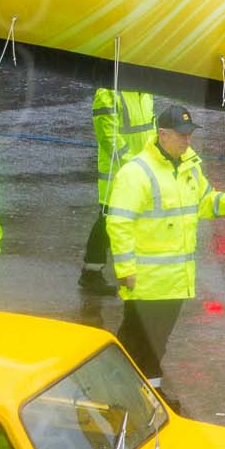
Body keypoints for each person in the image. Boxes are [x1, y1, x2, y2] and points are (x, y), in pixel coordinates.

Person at [106, 103, 225, 397]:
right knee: (137, 342)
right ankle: (123, 396)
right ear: (162, 134)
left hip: (174, 281)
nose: (188, 141)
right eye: (181, 135)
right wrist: (125, 271)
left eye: (189, 135)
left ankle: (145, 396)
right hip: (147, 283)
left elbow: (204, 203)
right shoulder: (136, 173)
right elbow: (118, 223)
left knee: (156, 343)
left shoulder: (189, 167)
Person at [80, 88, 155, 294]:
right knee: (107, 221)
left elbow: (151, 130)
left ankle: (132, 271)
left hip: (141, 171)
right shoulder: (108, 93)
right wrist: (134, 164)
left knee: (132, 221)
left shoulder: (145, 93)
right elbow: (108, 137)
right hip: (118, 174)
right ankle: (91, 273)